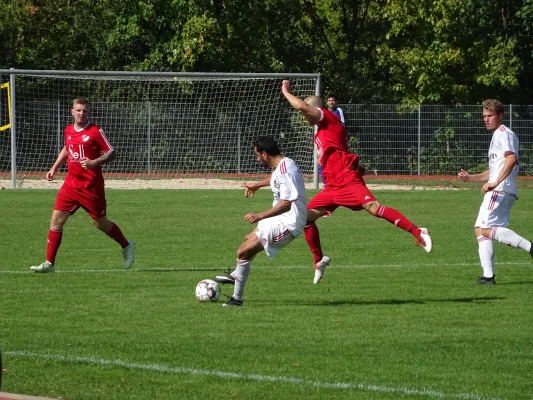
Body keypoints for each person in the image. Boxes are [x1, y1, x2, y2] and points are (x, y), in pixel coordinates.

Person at [281, 80, 432, 284]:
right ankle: (319, 260)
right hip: (333, 186)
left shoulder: (329, 118)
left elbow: (301, 105)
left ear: (315, 109)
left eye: (305, 113)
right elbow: (340, 149)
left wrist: (285, 92)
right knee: (305, 219)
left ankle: (417, 231)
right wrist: (357, 164)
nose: (302, 115)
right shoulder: (321, 130)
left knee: (374, 207)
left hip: (346, 180)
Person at [30, 97, 135, 273]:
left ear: (88, 112)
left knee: (100, 224)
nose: (81, 113)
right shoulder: (69, 130)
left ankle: (126, 245)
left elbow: (111, 152)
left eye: (84, 110)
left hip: (91, 187)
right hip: (71, 185)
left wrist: (94, 162)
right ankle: (49, 263)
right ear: (72, 111)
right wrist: (54, 168)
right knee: (56, 221)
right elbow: (67, 148)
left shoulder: (95, 131)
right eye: (78, 110)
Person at [214, 136, 307, 306]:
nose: (257, 159)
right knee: (248, 241)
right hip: (280, 219)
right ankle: (237, 275)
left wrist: (260, 215)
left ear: (265, 154)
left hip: (288, 222)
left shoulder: (286, 171)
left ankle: (237, 299)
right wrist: (257, 185)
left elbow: (286, 204)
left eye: (258, 155)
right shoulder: (284, 164)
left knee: (243, 251)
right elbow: (274, 179)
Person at [458, 99, 532, 284]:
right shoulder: (496, 137)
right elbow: (495, 170)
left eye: (490, 115)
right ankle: (488, 277)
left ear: (500, 116)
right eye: (484, 116)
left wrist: (494, 184)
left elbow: (511, 159)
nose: (486, 119)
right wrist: (471, 178)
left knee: (485, 229)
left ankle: (529, 247)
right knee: (480, 230)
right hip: (500, 188)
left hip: (500, 190)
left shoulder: (504, 134)